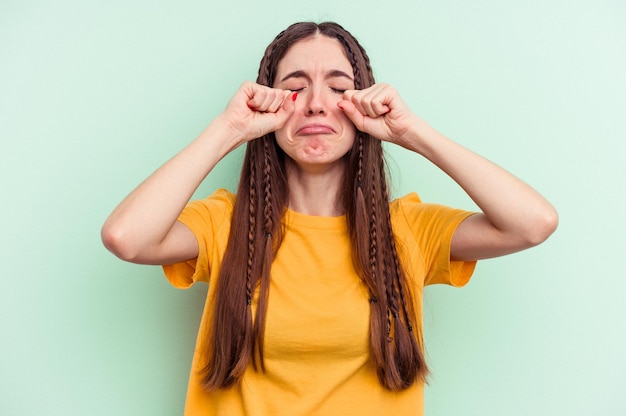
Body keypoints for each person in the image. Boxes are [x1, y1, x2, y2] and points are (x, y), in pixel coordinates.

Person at [101, 21, 557, 416]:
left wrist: (411, 132)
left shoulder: (407, 230)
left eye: (339, 88)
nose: (317, 104)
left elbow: (533, 223)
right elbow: (126, 237)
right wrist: (230, 129)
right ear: (269, 102)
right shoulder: (226, 222)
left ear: (362, 103)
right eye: (296, 88)